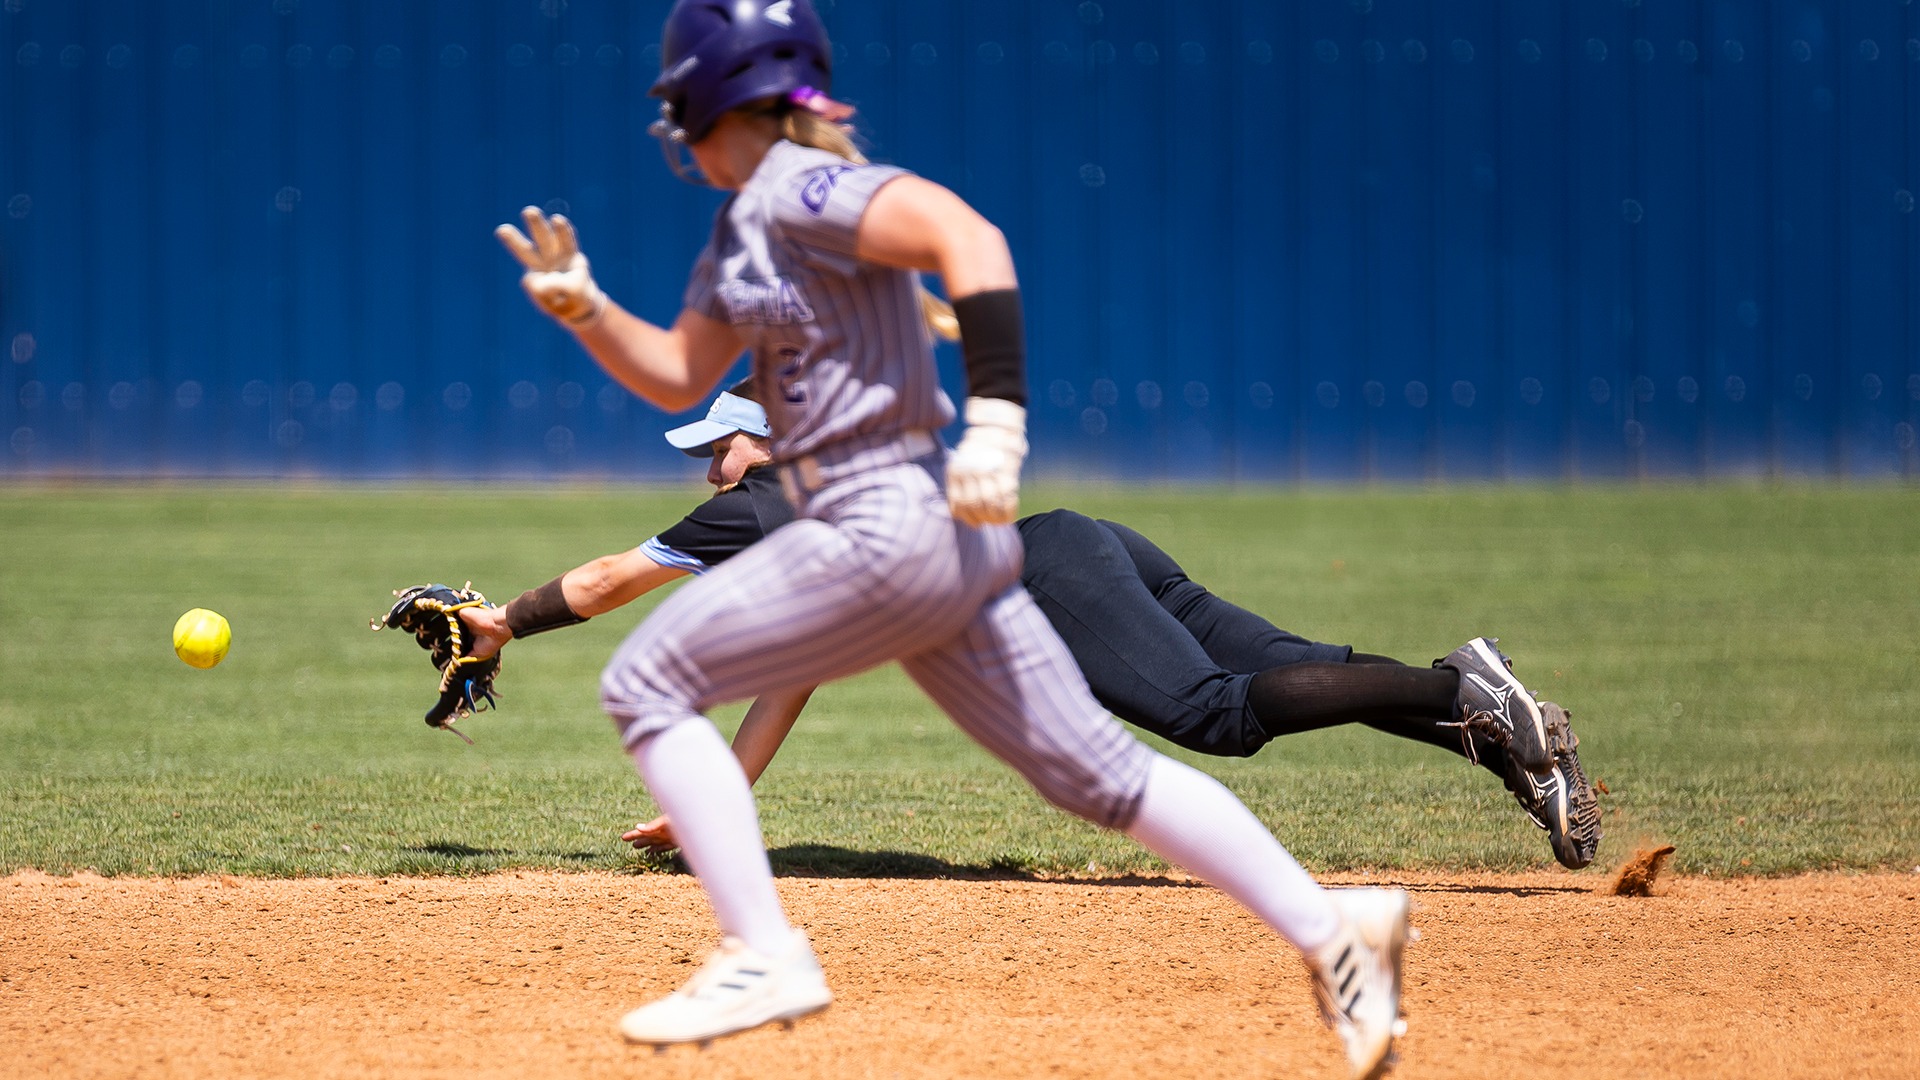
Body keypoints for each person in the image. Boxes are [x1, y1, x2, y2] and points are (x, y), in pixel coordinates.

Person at [491, 4, 1441, 1074]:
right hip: (927, 544)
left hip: (878, 519)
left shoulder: (810, 188)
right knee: (1102, 781)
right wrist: (587, 312)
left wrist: (997, 416)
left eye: (682, 105)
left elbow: (969, 240)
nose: (676, 130)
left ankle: (762, 949)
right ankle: (1335, 931)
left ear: (719, 101)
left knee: (645, 684)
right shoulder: (740, 229)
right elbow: (674, 370)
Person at [460, 385, 1602, 873]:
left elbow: (613, 579)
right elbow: (795, 671)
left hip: (1043, 578)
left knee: (1217, 718)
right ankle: (1481, 714)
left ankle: (1467, 696)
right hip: (1074, 541)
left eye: (721, 444)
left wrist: (502, 621)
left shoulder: (771, 500)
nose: (710, 465)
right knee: (1291, 669)